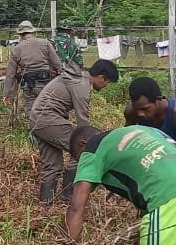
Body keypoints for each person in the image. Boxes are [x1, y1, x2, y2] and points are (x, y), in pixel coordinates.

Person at [29, 59, 119, 204]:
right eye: (107, 82)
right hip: (47, 119)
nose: (105, 86)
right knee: (83, 149)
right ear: (102, 77)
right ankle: (68, 195)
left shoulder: (77, 79)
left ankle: (46, 203)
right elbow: (83, 126)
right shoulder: (82, 85)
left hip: (37, 120)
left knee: (53, 164)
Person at [124, 77, 176, 166]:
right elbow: (126, 141)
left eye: (145, 109)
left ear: (158, 100)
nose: (140, 114)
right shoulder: (131, 112)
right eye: (136, 108)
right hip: (151, 160)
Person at [3, 20, 64, 111]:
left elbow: (10, 74)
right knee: (46, 111)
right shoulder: (45, 43)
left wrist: (7, 94)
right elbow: (58, 64)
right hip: (45, 84)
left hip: (29, 86)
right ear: (33, 32)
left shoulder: (16, 49)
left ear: (20, 34)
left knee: (31, 112)